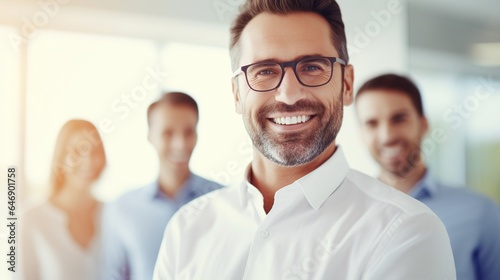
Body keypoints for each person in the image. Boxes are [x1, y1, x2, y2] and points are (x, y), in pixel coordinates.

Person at [153, 1, 456, 279]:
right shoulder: (187, 229)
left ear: (347, 84)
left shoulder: (406, 231)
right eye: (265, 71)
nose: (289, 95)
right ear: (236, 94)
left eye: (312, 67)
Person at [355, 73, 500, 280]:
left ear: (423, 124)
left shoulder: (481, 213)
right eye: (372, 123)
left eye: (399, 119)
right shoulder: (350, 214)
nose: (387, 136)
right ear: (361, 133)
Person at [100, 91, 223, 280]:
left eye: (188, 132)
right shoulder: (122, 209)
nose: (180, 144)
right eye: (168, 133)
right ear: (150, 136)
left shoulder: (223, 201)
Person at [18, 119, 106, 280]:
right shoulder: (30, 219)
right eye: (78, 151)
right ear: (60, 157)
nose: (88, 160)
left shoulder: (113, 215)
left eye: (94, 151)